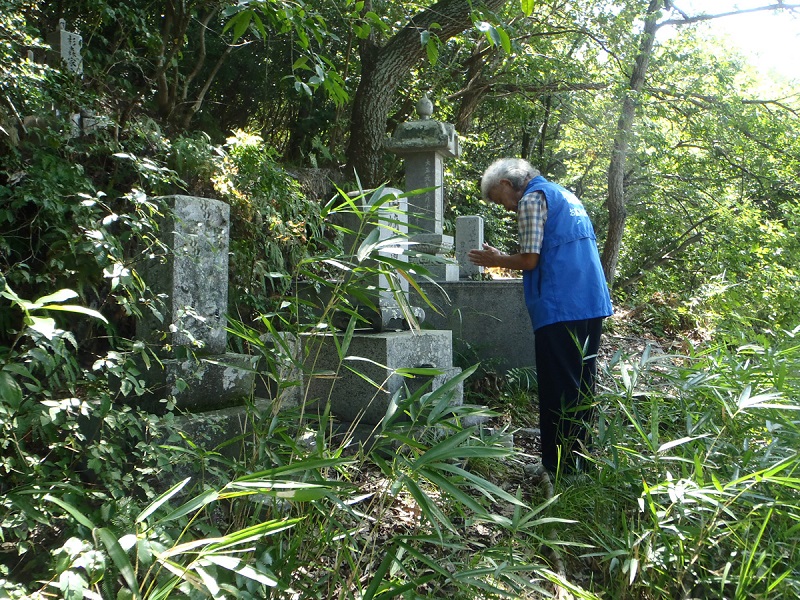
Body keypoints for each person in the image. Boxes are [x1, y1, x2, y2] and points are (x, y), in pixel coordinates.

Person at [468, 158, 613, 477]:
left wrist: (497, 259)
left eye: (497, 198)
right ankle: (579, 462)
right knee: (581, 385)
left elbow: (531, 260)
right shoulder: (564, 195)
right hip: (590, 301)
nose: (504, 207)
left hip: (561, 303)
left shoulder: (532, 199)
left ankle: (557, 467)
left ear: (506, 184)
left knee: (557, 387)